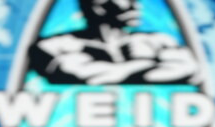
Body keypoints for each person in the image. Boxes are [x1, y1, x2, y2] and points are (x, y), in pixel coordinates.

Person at [28, 0, 200, 85]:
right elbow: (85, 75)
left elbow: (189, 69)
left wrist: (120, 70)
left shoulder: (157, 41)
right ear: (98, 5)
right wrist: (149, 63)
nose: (137, 5)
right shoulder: (54, 46)